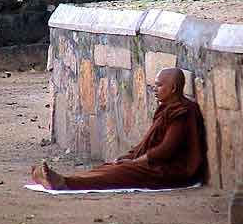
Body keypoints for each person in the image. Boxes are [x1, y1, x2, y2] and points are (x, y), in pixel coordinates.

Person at [31, 67, 208, 190]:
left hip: (171, 171)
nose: (154, 89)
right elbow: (149, 144)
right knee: (110, 167)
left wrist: (135, 162)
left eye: (159, 85)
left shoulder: (182, 111)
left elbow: (166, 150)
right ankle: (65, 180)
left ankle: (66, 183)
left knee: (121, 171)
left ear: (173, 88)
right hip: (155, 164)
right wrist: (130, 157)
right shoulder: (168, 108)